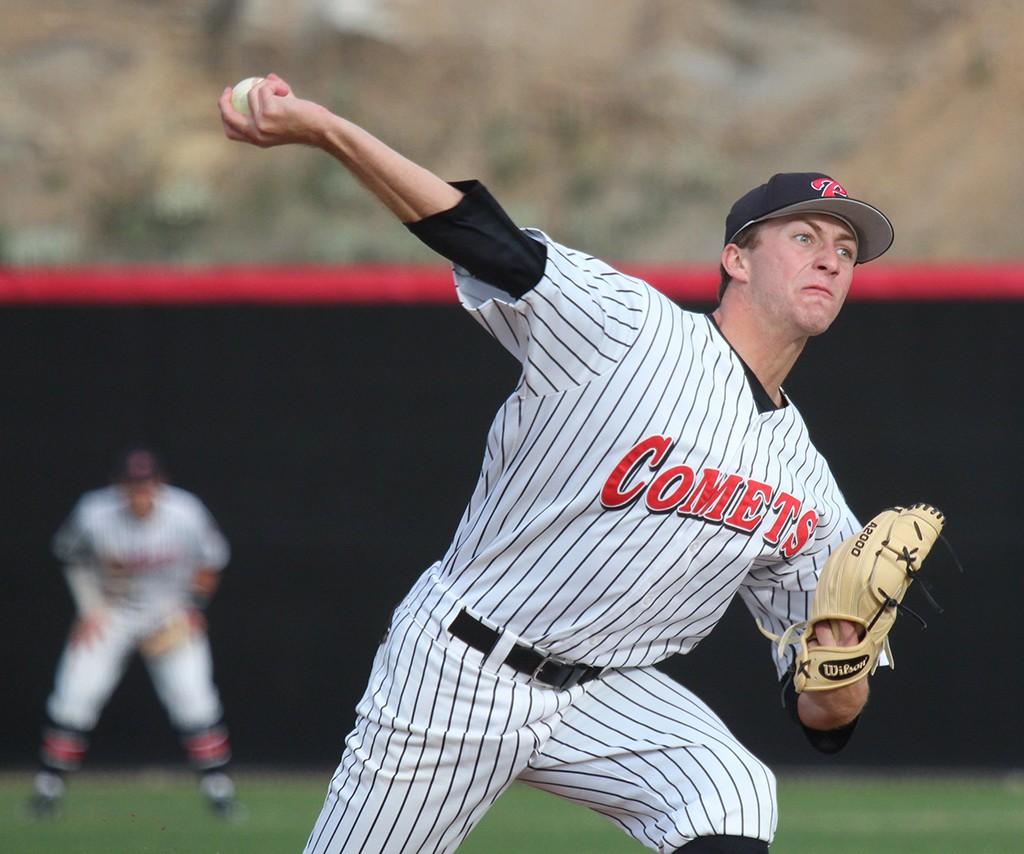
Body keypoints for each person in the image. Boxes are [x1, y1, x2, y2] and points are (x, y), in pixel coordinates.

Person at [219, 74, 896, 853]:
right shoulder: (629, 328)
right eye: (804, 238)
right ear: (735, 260)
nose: (831, 261)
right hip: (461, 666)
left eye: (846, 250)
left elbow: (823, 721)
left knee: (732, 790)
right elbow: (479, 234)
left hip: (604, 697)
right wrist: (322, 127)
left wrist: (840, 659)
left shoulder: (808, 487)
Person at [28, 447, 243, 819]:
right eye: (132, 485)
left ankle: (219, 793)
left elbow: (213, 559)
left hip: (169, 615)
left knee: (195, 701)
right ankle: (47, 791)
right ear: (118, 486)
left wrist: (191, 609)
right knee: (74, 696)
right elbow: (69, 554)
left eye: (146, 484)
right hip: (113, 614)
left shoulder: (185, 512)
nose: (139, 492)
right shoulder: (94, 513)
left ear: (160, 484)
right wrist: (89, 608)